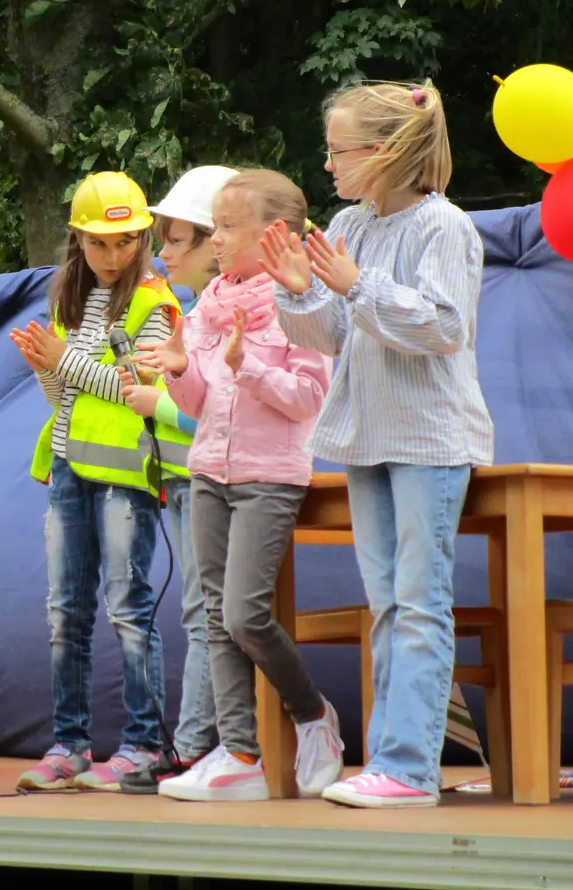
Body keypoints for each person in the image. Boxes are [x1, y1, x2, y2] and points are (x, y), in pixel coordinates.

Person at [259, 80, 492, 809]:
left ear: (386, 151)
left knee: (419, 602)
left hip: (429, 438)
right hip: (366, 437)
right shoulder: (349, 225)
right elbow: (332, 335)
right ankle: (393, 761)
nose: (328, 165)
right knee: (388, 603)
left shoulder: (444, 226)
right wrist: (299, 290)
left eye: (340, 152)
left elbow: (444, 328)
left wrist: (358, 287)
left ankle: (409, 767)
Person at [132, 169, 344, 801]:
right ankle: (240, 753)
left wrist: (246, 364)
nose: (216, 239)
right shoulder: (209, 305)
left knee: (244, 613)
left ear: (272, 233)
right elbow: (200, 401)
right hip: (209, 472)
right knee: (216, 618)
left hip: (268, 476)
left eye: (227, 227)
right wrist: (178, 371)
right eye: (215, 227)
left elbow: (308, 397)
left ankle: (312, 714)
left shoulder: (297, 301)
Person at [9, 172, 182, 791]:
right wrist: (45, 369)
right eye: (99, 243)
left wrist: (64, 361)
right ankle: (70, 746)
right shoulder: (69, 303)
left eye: (125, 241)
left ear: (143, 238)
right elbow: (66, 400)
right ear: (77, 240)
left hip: (126, 477)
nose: (113, 255)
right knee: (66, 613)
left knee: (129, 608)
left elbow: (139, 391)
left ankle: (143, 746)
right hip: (69, 469)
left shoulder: (156, 304)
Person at [118, 165, 240, 793]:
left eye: (174, 240)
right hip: (186, 479)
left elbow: (226, 410)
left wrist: (157, 403)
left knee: (207, 616)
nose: (163, 253)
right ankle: (210, 744)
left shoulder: (229, 314)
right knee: (209, 615)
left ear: (215, 240)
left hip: (212, 482)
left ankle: (194, 747)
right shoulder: (197, 312)